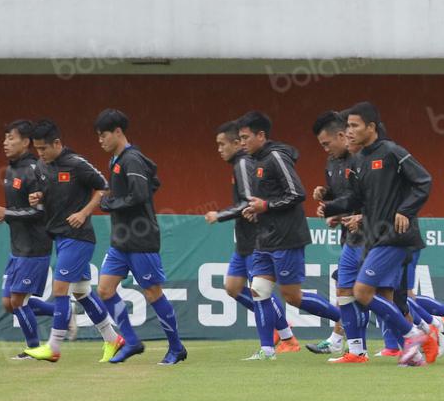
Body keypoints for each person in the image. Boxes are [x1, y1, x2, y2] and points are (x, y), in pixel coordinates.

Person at [322, 102, 434, 365]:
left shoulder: (393, 152)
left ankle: (413, 334)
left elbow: (424, 181)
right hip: (373, 238)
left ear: (371, 127)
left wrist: (406, 210)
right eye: (347, 126)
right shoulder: (359, 160)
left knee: (362, 292)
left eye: (354, 126)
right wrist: (331, 206)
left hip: (396, 236)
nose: (348, 131)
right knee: (379, 295)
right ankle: (413, 353)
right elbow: (355, 198)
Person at [22, 119, 125, 363]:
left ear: (57, 143)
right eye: (37, 149)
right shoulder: (40, 166)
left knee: (60, 289)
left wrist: (84, 212)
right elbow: (47, 195)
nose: (40, 154)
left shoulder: (77, 164)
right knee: (80, 292)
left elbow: (104, 188)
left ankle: (54, 347)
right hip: (60, 236)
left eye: (44, 148)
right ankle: (113, 339)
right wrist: (38, 197)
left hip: (78, 237)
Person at [238, 111, 338, 360]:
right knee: (258, 289)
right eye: (239, 138)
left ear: (261, 135)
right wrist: (256, 211)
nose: (242, 143)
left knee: (292, 297)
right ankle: (267, 350)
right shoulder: (256, 161)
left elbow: (296, 193)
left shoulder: (275, 157)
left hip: (287, 237)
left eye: (245, 137)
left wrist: (266, 207)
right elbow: (267, 200)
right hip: (265, 236)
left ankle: (345, 318)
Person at [93, 109, 186, 365]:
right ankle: (132, 341)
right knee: (104, 289)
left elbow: (140, 194)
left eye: (103, 135)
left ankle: (176, 348)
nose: (100, 140)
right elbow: (153, 179)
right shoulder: (116, 161)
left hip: (141, 238)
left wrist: (110, 203)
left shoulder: (131, 159)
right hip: (121, 240)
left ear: (118, 132)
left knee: (153, 293)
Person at [205, 121, 290, 354]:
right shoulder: (239, 164)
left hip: (255, 239)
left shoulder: (243, 163)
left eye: (223, 144)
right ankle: (280, 332)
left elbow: (247, 202)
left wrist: (219, 215)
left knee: (259, 290)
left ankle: (286, 336)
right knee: (233, 288)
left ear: (236, 143)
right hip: (243, 241)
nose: (219, 149)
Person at [0, 120, 55, 358]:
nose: (5, 143)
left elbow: (42, 211)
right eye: (5, 138)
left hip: (35, 247)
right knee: (8, 304)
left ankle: (34, 349)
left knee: (19, 301)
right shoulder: (11, 171)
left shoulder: (35, 169)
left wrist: (7, 213)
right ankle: (63, 313)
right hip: (17, 247)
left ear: (26, 142)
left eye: (11, 138)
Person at [306, 111, 357, 356]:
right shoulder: (332, 163)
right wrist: (326, 197)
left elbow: (370, 198)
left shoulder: (360, 158)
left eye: (327, 144)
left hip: (375, 234)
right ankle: (344, 342)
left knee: (384, 294)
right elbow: (343, 197)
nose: (325, 149)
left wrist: (356, 215)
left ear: (341, 136)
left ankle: (429, 323)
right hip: (351, 235)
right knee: (346, 287)